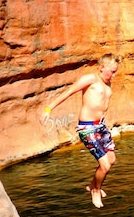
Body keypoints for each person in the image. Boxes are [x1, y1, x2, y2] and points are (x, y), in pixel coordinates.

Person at [41, 54, 121, 208]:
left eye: (116, 71)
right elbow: (68, 92)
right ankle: (96, 191)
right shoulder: (90, 79)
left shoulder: (107, 84)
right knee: (104, 165)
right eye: (112, 71)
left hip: (101, 127)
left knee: (111, 160)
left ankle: (92, 185)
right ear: (102, 67)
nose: (114, 75)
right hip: (88, 127)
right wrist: (48, 109)